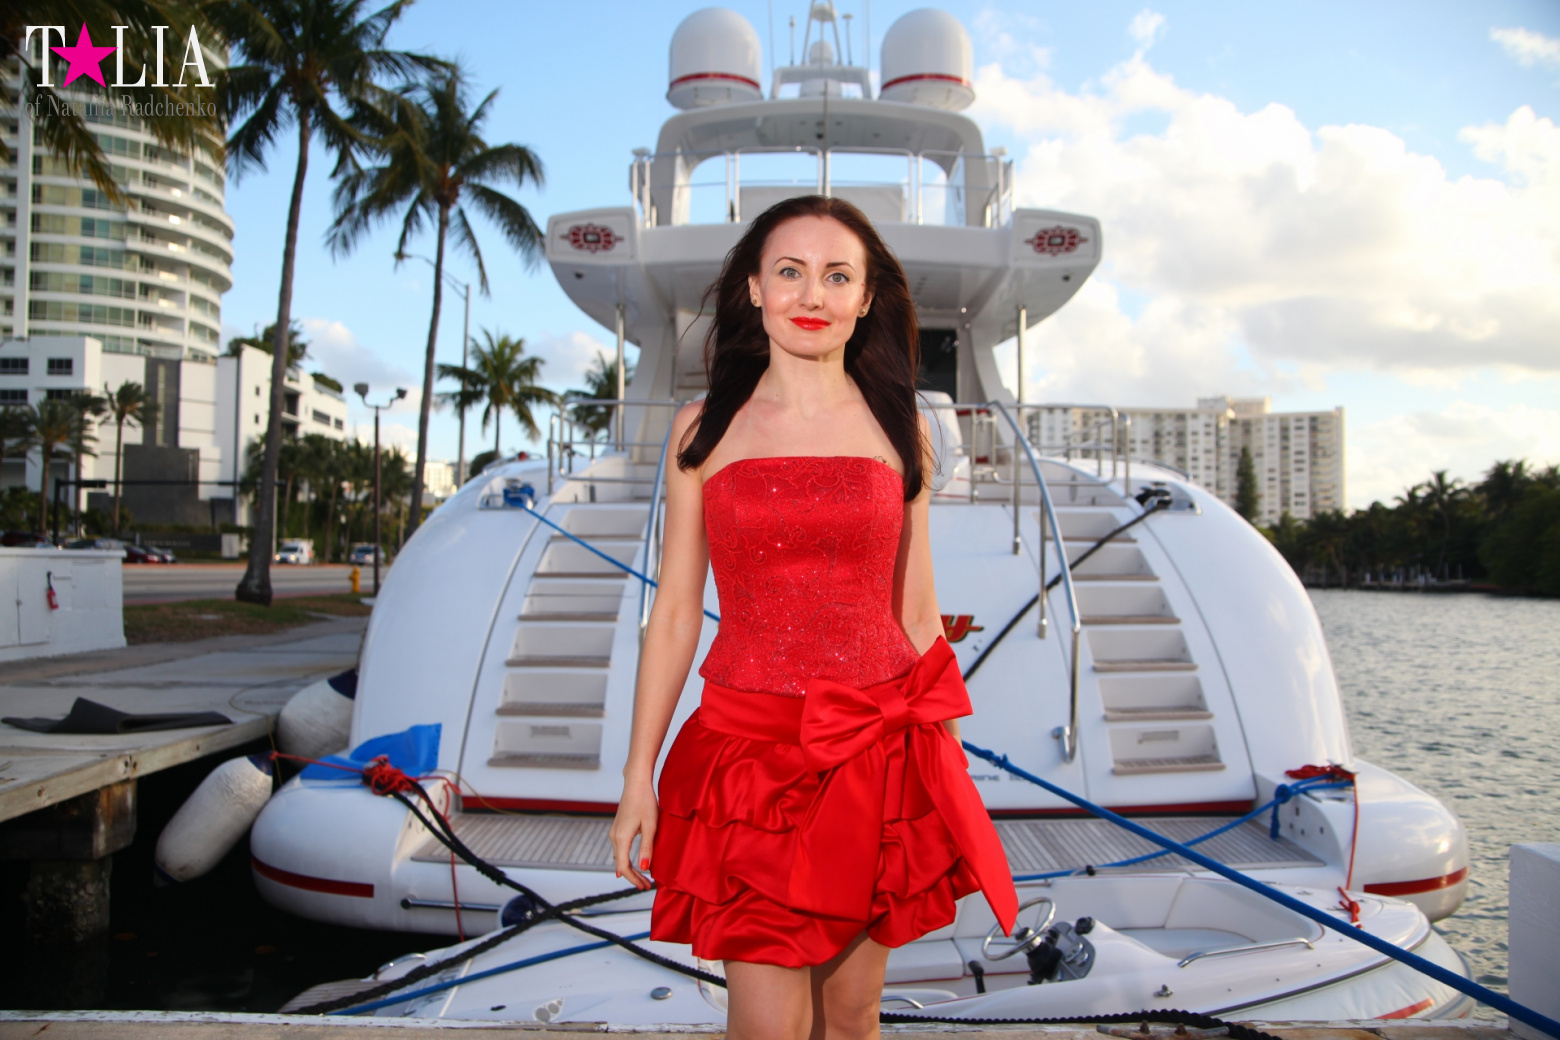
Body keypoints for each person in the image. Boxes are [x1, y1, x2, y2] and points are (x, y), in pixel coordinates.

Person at [609, 195, 1017, 1040]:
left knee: (851, 1015)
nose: (811, 294)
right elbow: (676, 612)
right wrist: (637, 775)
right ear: (755, 288)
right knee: (767, 1025)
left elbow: (916, 610)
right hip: (748, 764)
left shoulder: (903, 427)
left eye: (837, 276)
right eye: (790, 271)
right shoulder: (701, 430)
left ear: (865, 299)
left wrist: (943, 762)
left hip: (878, 757)